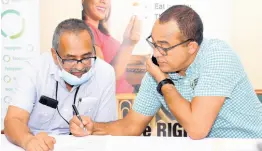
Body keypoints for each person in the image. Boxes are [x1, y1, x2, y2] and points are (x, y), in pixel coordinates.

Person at [69, 5, 262, 139]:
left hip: (249, 143)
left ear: (192, 47)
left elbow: (197, 128)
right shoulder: (159, 66)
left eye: (164, 47)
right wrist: (95, 127)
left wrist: (164, 82)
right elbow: (132, 126)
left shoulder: (217, 56)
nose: (156, 53)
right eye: (154, 44)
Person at [4, 18, 117, 151]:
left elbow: (106, 128)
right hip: (36, 143)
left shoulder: (105, 72)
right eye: (70, 59)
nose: (79, 66)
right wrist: (28, 141)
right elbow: (14, 119)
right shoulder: (34, 70)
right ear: (54, 55)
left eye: (86, 57)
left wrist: (92, 127)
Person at [82, 0, 141, 93]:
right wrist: (128, 44)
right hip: (122, 101)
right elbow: (104, 78)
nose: (103, 1)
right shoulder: (86, 32)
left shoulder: (99, 31)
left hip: (129, 92)